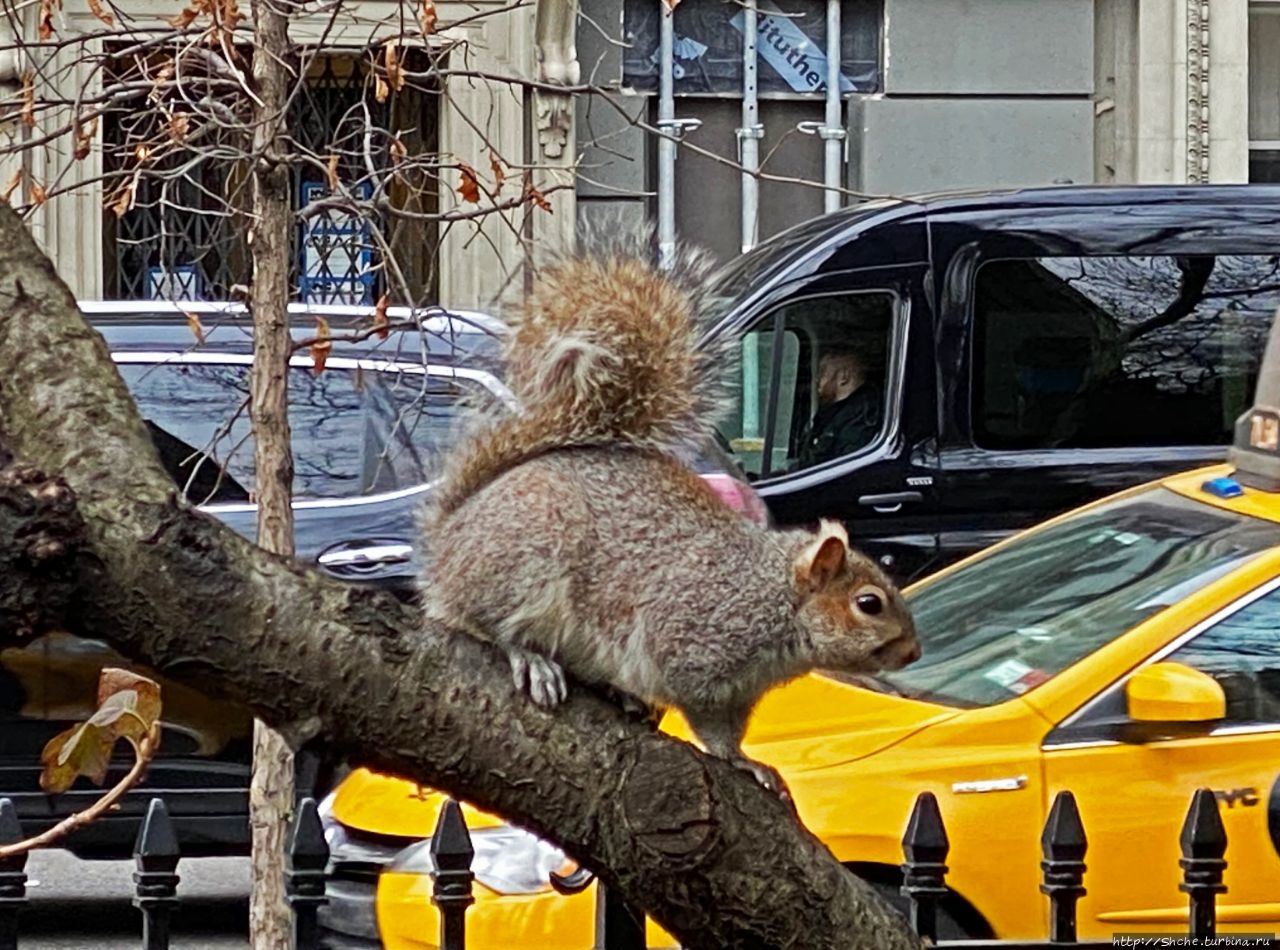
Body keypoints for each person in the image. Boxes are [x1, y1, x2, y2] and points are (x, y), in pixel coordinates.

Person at [795, 348, 882, 469]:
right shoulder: (835, 413)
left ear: (844, 377)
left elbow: (838, 469)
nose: (817, 380)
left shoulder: (862, 420)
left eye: (822, 373)